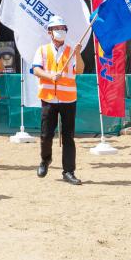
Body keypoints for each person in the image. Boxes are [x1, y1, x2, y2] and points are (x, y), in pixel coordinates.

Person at [31, 15, 84, 185]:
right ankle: (45, 160)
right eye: (57, 29)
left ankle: (68, 171)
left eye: (63, 28)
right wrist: (50, 75)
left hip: (68, 99)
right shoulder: (42, 50)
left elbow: (80, 70)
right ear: (50, 32)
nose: (60, 31)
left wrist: (78, 54)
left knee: (68, 137)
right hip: (48, 99)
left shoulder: (71, 50)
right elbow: (36, 70)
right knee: (46, 135)